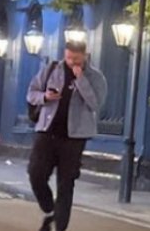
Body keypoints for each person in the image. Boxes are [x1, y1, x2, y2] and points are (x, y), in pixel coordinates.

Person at [26, 41, 107, 231]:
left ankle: (59, 227)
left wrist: (81, 80)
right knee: (35, 174)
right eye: (69, 57)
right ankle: (49, 209)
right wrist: (45, 97)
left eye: (76, 59)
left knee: (66, 183)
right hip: (47, 132)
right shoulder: (51, 69)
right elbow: (31, 93)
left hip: (74, 138)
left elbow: (96, 104)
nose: (71, 62)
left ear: (85, 56)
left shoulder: (95, 77)